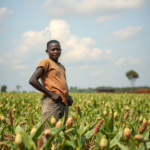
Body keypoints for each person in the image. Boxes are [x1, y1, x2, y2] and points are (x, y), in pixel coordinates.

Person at [29, 40, 73, 134]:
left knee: (61, 133)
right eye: (53, 49)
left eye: (58, 49)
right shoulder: (46, 62)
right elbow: (33, 80)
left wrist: (68, 97)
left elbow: (61, 85)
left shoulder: (61, 66)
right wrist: (51, 94)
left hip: (63, 103)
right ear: (47, 51)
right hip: (52, 102)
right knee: (49, 133)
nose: (56, 51)